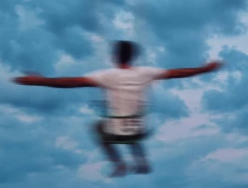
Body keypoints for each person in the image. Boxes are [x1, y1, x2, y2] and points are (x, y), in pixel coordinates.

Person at [13, 41, 222, 177]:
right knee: (132, 131)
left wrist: (39, 81)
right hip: (139, 129)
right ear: (133, 57)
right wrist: (204, 69)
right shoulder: (145, 72)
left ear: (115, 57)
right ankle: (141, 161)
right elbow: (177, 72)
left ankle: (118, 163)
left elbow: (70, 82)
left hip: (116, 131)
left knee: (98, 128)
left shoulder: (107, 75)